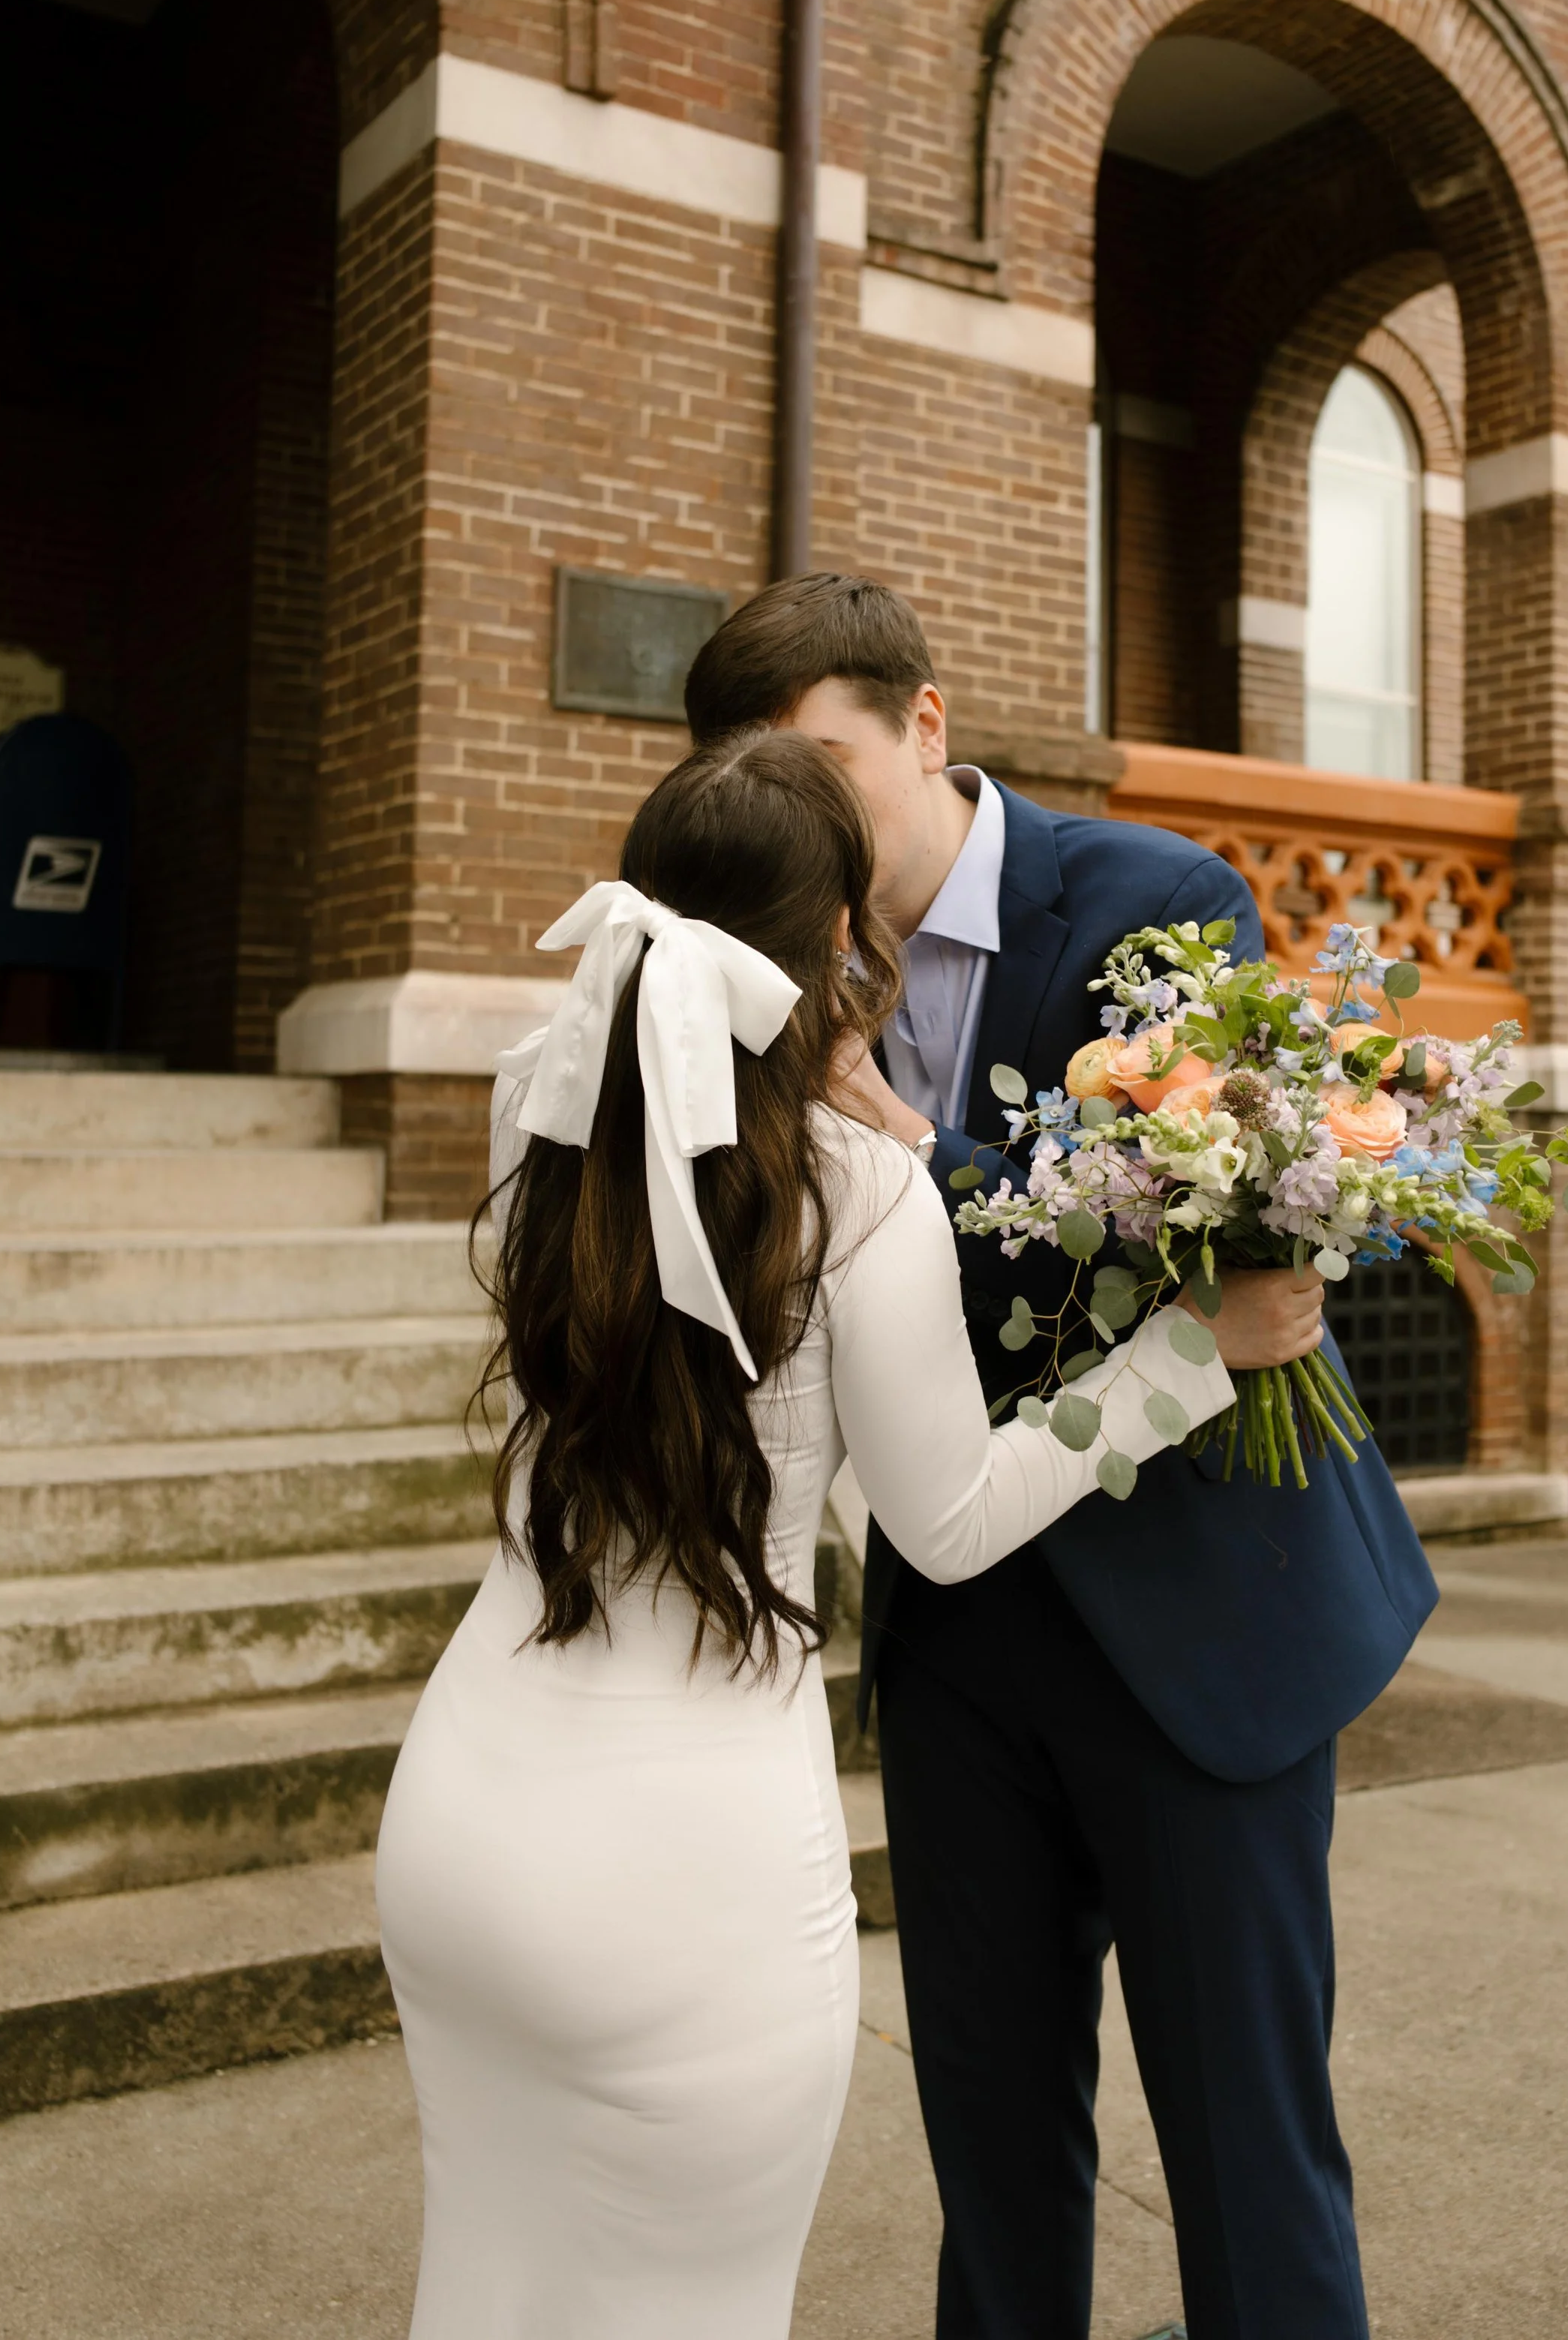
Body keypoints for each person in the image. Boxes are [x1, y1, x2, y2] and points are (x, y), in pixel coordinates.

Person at [374, 727, 1243, 2340]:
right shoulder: (855, 1191)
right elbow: (952, 1520)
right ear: (835, 939)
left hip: (459, 1823)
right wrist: (1186, 1362)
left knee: (484, 2288)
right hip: (682, 1879)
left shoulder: (545, 1129)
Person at [683, 578, 1440, 2340]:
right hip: (960, 1641)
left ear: (926, 727)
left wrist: (908, 1150)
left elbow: (1191, 1244)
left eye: (825, 768)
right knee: (995, 2153)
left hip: (1193, 1625)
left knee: (1245, 2152)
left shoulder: (1153, 903)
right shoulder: (757, 976)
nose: (799, 825)